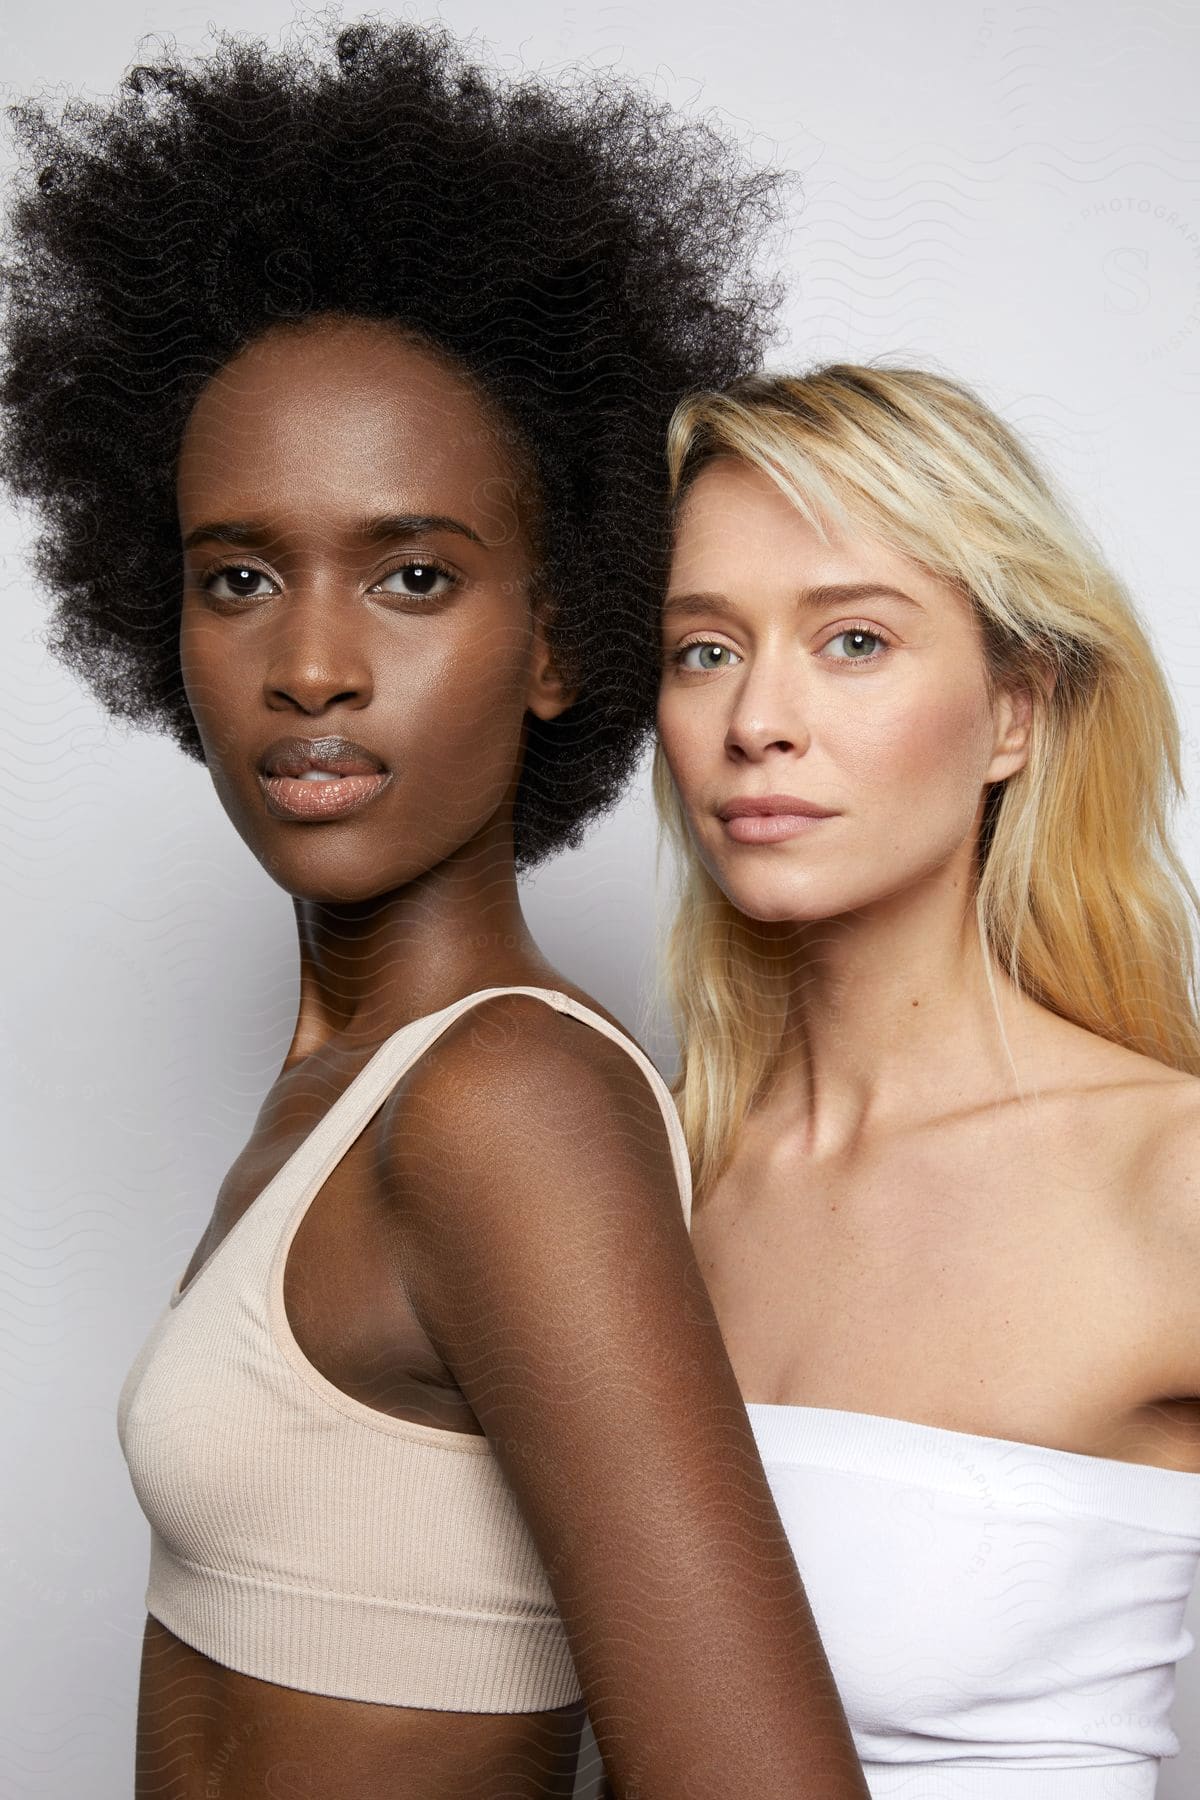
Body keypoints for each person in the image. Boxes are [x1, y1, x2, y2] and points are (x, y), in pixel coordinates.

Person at [0, 26, 870, 1800]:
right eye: (237, 576)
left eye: (414, 577)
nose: (312, 666)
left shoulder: (505, 1107)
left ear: (558, 639)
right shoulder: (348, 1086)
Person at [653, 363, 1200, 1799]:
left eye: (851, 640)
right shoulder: (651, 1177)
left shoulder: (1171, 1180)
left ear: (1014, 714)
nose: (756, 718)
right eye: (704, 649)